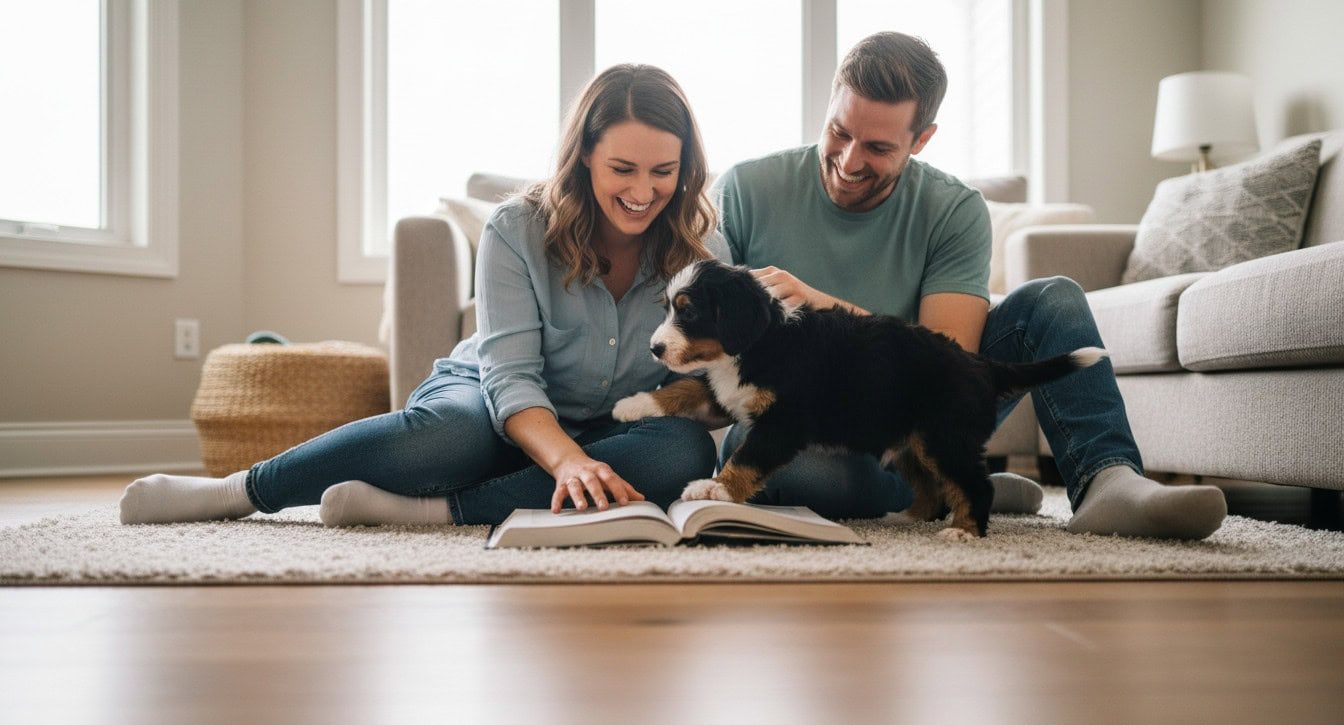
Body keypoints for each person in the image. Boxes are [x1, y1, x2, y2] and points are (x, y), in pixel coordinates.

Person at [120, 64, 726, 527]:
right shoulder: (516, 228)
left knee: (682, 455)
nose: (644, 192)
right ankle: (239, 491)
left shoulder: (704, 252)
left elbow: (713, 381)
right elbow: (510, 377)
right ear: (586, 154)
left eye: (663, 172)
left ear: (686, 167)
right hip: (488, 399)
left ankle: (435, 511)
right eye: (623, 168)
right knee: (452, 439)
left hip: (609, 429)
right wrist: (564, 460)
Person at [713, 32, 1226, 539]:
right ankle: (952, 488)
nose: (849, 162)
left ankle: (1109, 481)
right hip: (818, 427)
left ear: (921, 140)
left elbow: (949, 358)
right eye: (839, 133)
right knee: (779, 456)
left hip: (922, 406)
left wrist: (823, 305)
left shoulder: (954, 208)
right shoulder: (744, 190)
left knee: (1053, 299)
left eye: (877, 147)